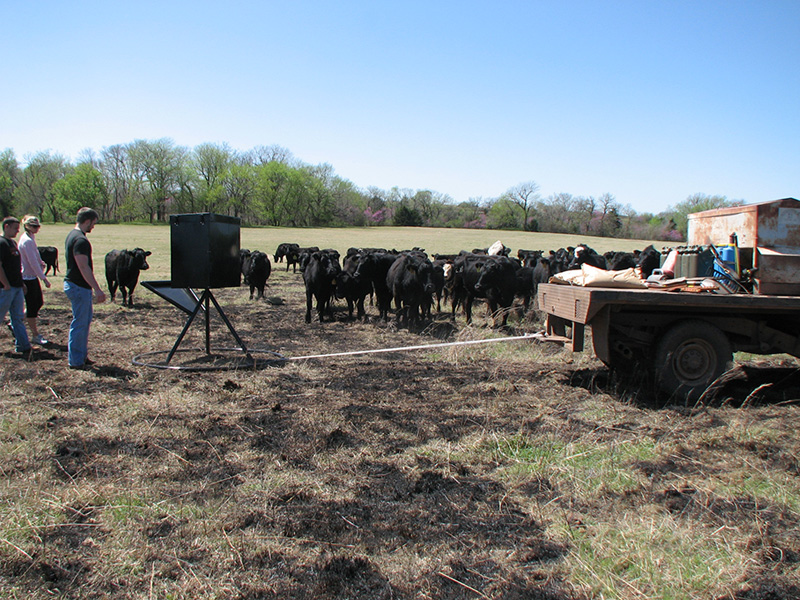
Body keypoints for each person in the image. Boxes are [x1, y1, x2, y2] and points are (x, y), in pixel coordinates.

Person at [64, 207, 106, 369]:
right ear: (87, 221)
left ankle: (81, 355)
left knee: (83, 322)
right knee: (80, 323)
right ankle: (75, 361)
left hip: (75, 285)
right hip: (78, 286)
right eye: (93, 223)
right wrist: (97, 288)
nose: (93, 227)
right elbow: (83, 267)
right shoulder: (80, 240)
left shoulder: (72, 235)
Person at [0, 216, 32, 355]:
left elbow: (16, 267)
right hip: (5, 288)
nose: (17, 232)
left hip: (16, 287)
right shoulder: (1, 243)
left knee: (17, 317)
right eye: (14, 228)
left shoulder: (12, 243)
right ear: (6, 227)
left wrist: (21, 283)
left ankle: (24, 346)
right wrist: (5, 284)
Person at [18, 215, 51, 345]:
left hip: (30, 276)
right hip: (28, 277)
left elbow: (35, 256)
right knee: (33, 306)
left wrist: (41, 262)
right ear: (26, 226)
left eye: (37, 226)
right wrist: (44, 278)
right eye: (33, 226)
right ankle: (35, 334)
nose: (36, 228)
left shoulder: (30, 238)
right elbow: (32, 262)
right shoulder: (27, 241)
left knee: (37, 303)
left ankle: (18, 321)